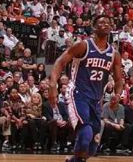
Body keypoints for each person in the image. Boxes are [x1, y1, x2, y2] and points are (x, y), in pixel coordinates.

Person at [48, 16, 124, 162]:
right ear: (94, 28)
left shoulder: (114, 54)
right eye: (101, 22)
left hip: (96, 100)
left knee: (92, 147)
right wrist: (53, 84)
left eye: (108, 22)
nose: (105, 24)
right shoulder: (83, 45)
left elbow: (119, 79)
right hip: (77, 93)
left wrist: (118, 94)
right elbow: (60, 61)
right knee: (85, 134)